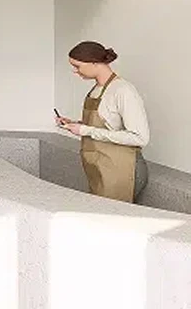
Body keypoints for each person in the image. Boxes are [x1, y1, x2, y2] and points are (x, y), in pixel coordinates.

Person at [56, 41, 149, 203]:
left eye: (77, 66)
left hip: (123, 170)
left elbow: (140, 137)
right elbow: (108, 125)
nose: (75, 71)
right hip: (102, 168)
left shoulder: (123, 91)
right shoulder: (96, 89)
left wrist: (85, 130)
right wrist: (74, 124)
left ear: (94, 63)